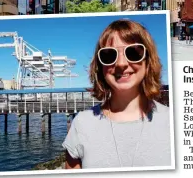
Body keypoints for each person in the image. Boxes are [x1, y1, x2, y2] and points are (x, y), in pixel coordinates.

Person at [63, 19, 171, 169]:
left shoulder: (173, 122)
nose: (121, 63)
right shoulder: (82, 124)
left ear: (148, 61)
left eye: (133, 52)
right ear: (100, 67)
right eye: (109, 55)